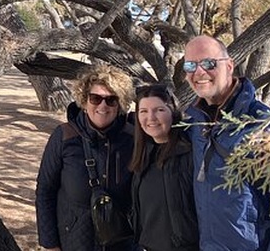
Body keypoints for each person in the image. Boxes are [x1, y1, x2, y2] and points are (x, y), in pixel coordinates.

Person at [183, 35, 270, 251]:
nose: (199, 72)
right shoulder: (196, 124)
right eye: (190, 65)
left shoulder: (264, 126)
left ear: (229, 66)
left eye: (208, 63)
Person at [36, 65, 135, 251]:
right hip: (74, 241)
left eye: (111, 100)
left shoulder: (133, 139)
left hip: (123, 243)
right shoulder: (64, 136)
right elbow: (45, 191)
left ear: (120, 104)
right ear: (84, 100)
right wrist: (50, 244)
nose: (102, 106)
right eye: (95, 98)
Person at [129, 84, 199, 251]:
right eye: (143, 111)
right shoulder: (144, 154)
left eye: (159, 110)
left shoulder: (190, 153)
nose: (151, 117)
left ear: (173, 112)